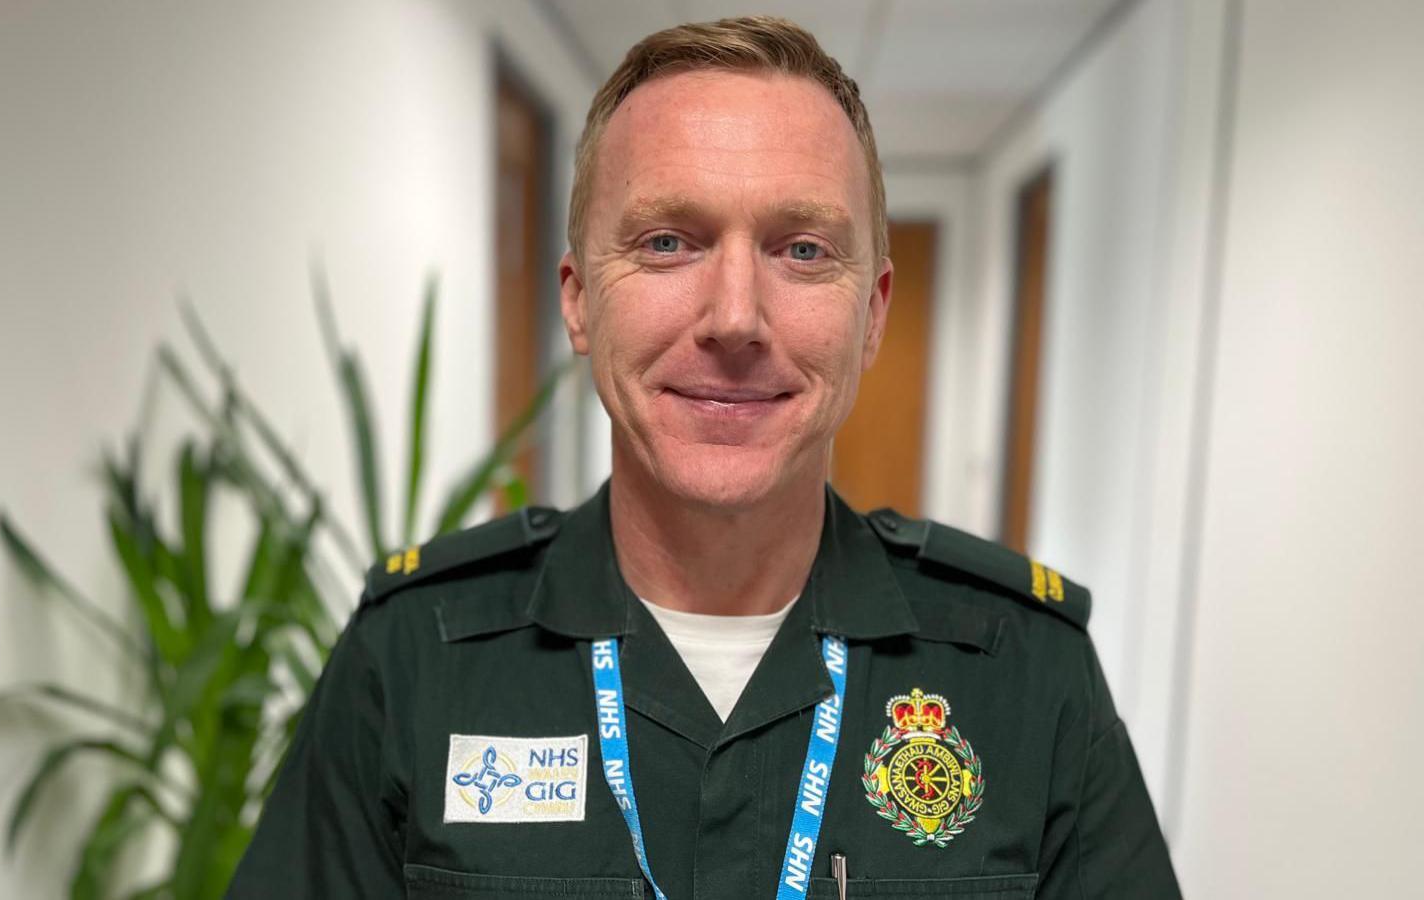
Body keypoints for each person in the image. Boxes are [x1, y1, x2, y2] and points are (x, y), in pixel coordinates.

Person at [229, 15, 1180, 899]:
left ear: (873, 313)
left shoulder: (1025, 674)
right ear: (577, 303)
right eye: (668, 241)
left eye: (802, 250)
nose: (735, 317)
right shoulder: (413, 660)